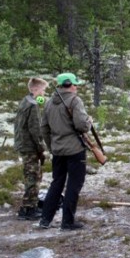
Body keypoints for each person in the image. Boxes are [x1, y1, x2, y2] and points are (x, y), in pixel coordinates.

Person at [39, 73, 93, 230]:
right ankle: (67, 222)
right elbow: (81, 125)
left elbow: (44, 128)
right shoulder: (75, 101)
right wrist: (89, 122)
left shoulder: (49, 103)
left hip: (57, 150)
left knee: (56, 183)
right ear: (68, 84)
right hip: (75, 150)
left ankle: (45, 219)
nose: (76, 87)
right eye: (75, 84)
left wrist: (52, 147)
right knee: (74, 185)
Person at [14, 77, 49, 220]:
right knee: (33, 177)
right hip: (29, 146)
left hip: (23, 144)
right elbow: (35, 130)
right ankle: (28, 208)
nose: (44, 92)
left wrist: (43, 99)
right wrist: (41, 148)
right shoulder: (32, 106)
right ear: (35, 89)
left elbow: (40, 102)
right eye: (43, 90)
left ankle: (30, 206)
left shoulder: (26, 101)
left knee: (31, 175)